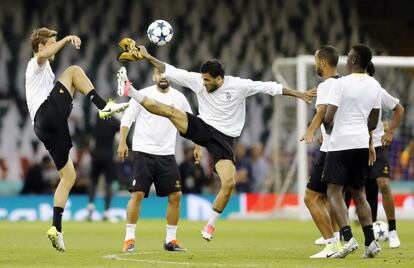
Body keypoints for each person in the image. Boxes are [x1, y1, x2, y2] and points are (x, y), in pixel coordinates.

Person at [116, 43, 316, 241]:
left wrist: (299, 94)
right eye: (202, 79)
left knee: (229, 183)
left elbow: (270, 87)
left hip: (223, 140)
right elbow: (170, 70)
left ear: (220, 79)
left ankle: (210, 225)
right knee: (169, 111)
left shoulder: (239, 85)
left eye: (207, 80)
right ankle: (131, 91)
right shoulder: (197, 81)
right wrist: (148, 56)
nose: (203, 83)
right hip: (202, 127)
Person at [25, 27, 128, 252]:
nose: (54, 46)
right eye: (50, 41)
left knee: (69, 176)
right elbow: (43, 54)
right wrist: (65, 39)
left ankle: (56, 229)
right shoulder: (35, 63)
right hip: (45, 116)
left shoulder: (46, 70)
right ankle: (105, 107)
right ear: (42, 45)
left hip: (48, 128)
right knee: (72, 70)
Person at [118, 68, 196, 252]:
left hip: (167, 154)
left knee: (176, 196)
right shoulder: (143, 94)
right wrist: (122, 142)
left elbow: (191, 123)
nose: (162, 77)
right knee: (137, 194)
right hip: (143, 153)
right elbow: (127, 119)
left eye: (165, 74)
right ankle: (129, 239)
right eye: (159, 74)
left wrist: (198, 146)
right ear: (153, 76)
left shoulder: (179, 98)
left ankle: (171, 240)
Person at [323, 44, 382, 258]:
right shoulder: (375, 85)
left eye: (348, 57)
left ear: (355, 60)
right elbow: (374, 122)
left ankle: (347, 238)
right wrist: (362, 134)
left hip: (341, 143)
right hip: (360, 142)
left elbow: (328, 117)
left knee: (333, 191)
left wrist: (330, 131)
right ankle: (371, 241)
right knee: (359, 193)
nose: (346, 60)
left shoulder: (341, 84)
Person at [344, 62, 404, 248]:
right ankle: (342, 235)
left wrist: (390, 132)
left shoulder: (377, 90)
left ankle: (392, 231)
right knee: (347, 189)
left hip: (377, 144)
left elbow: (399, 109)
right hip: (356, 143)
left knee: (383, 184)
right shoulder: (347, 90)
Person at [300, 46, 342, 258]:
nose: (315, 64)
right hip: (343, 147)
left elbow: (323, 111)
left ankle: (331, 243)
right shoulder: (343, 83)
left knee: (310, 198)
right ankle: (338, 238)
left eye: (317, 60)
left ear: (324, 63)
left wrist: (310, 131)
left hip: (329, 151)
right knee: (330, 196)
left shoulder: (326, 85)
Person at [87, 114, 120, 221]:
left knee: (93, 180)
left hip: (96, 154)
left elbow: (91, 136)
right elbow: (121, 126)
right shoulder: (113, 123)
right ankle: (106, 212)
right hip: (108, 156)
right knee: (108, 183)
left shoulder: (97, 120)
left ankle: (90, 206)